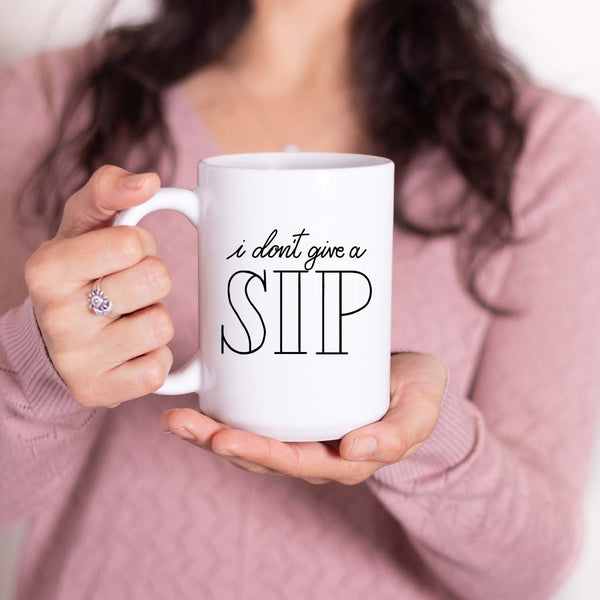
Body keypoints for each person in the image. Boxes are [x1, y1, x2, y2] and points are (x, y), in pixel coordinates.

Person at [1, 0, 599, 598]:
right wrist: (42, 370)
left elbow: (529, 571)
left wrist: (421, 435)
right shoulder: (45, 102)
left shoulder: (547, 152)